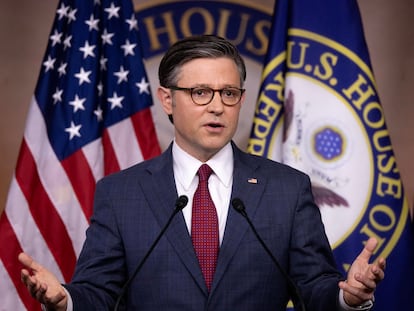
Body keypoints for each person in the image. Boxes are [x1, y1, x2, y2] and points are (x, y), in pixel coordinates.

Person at [19, 34, 385, 311]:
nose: (217, 107)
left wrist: (348, 298)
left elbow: (313, 287)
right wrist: (64, 299)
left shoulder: (286, 189)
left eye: (228, 93)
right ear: (167, 99)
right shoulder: (121, 193)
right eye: (200, 92)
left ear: (241, 99)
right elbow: (98, 293)